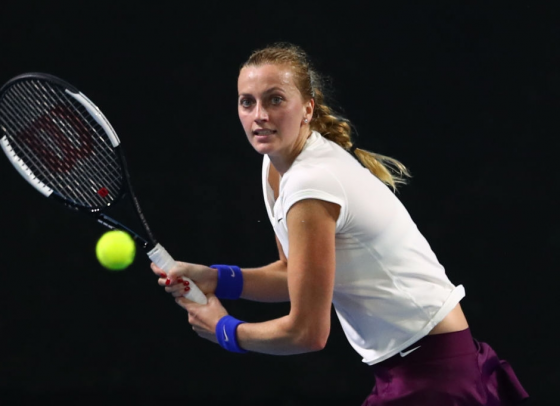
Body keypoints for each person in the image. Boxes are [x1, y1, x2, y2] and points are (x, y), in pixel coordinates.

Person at [150, 43, 529, 405]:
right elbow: (290, 273)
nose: (259, 115)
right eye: (247, 102)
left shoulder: (310, 182)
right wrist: (216, 278)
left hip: (433, 376)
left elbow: (307, 332)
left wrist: (226, 330)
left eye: (275, 99)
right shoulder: (277, 167)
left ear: (307, 109)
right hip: (425, 365)